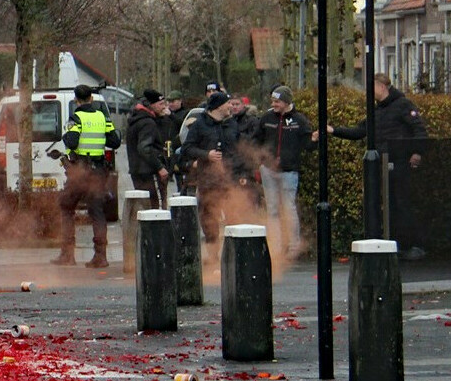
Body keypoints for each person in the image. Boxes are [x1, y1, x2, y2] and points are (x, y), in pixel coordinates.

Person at [322, 73, 430, 260]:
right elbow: (360, 131)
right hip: (384, 165)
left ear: (382, 86)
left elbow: (419, 129)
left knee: (402, 204)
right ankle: (396, 244)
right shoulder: (377, 111)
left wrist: (417, 152)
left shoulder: (403, 105)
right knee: (390, 206)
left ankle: (415, 245)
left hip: (401, 163)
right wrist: (334, 131)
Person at [52, 85, 122, 268]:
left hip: (80, 171)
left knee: (66, 206)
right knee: (97, 211)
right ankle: (101, 256)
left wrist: (66, 135)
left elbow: (73, 142)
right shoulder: (102, 117)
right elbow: (114, 142)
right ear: (91, 99)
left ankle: (67, 255)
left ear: (76, 100)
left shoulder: (76, 118)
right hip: (98, 171)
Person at [181, 92, 259, 243]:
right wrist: (206, 154)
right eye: (227, 103)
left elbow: (239, 150)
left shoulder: (231, 124)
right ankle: (212, 251)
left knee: (234, 215)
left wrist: (243, 173)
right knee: (209, 216)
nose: (231, 106)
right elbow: (187, 149)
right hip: (208, 180)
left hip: (231, 178)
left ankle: (233, 251)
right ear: (218, 106)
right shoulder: (199, 125)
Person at [255, 86, 315, 259]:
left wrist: (315, 139)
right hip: (268, 170)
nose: (273, 104)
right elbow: (257, 139)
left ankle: (293, 246)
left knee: (289, 208)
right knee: (272, 208)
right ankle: (275, 244)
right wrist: (259, 160)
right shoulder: (267, 118)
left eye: (277, 101)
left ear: (287, 102)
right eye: (273, 101)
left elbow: (308, 145)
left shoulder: (299, 120)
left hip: (289, 172)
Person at [126, 88, 171, 208]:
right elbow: (144, 148)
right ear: (151, 105)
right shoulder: (148, 123)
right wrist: (160, 167)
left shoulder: (137, 119)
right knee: (158, 209)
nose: (164, 107)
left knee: (145, 208)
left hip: (138, 172)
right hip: (150, 173)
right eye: (161, 104)